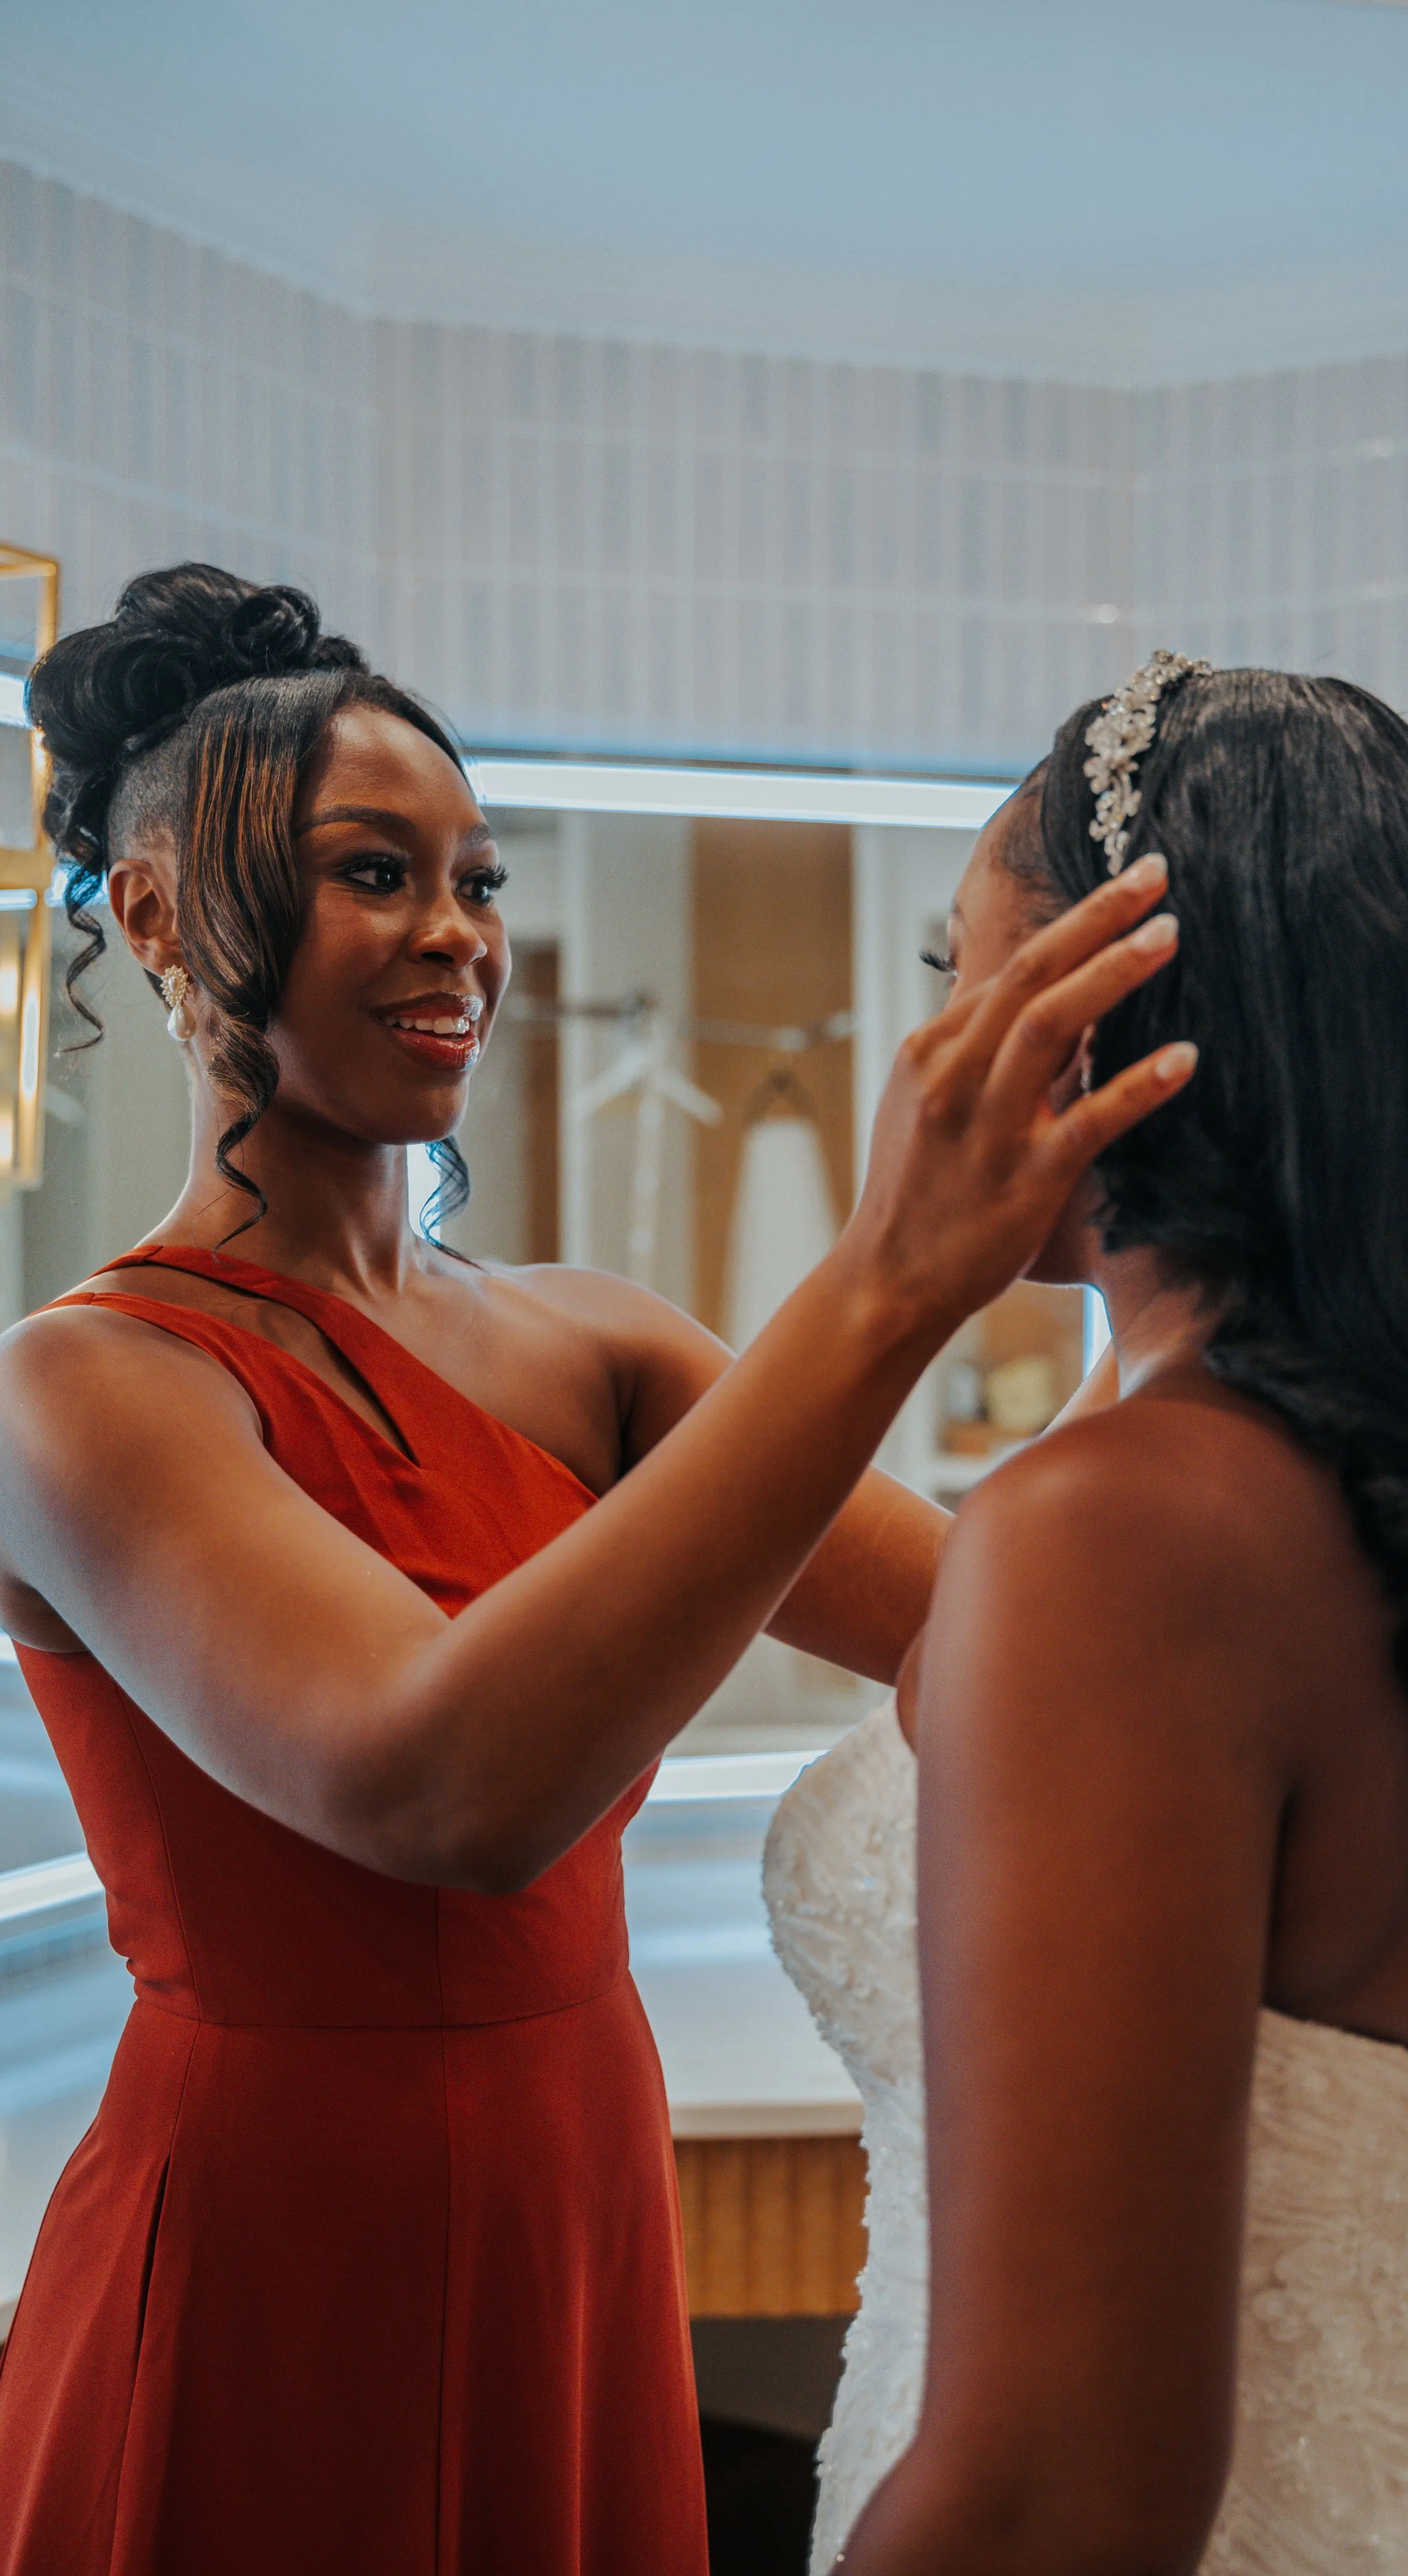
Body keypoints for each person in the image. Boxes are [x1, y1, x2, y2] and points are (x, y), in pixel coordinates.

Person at [0, 566, 1192, 2576]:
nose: (458, 932)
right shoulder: (83, 1390)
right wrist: (889, 1278)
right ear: (151, 913)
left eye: (476, 876)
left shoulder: (594, 1344)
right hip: (269, 2245)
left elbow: (1003, 1643)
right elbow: (443, 1786)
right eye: (377, 872)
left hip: (578, 2189)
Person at [766, 654, 1408, 2575]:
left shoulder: (1115, 1531)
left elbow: (1057, 2496)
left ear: (1120, 1012)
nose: (925, 1046)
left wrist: (883, 1275)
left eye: (963, 974)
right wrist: (1352, 2387)